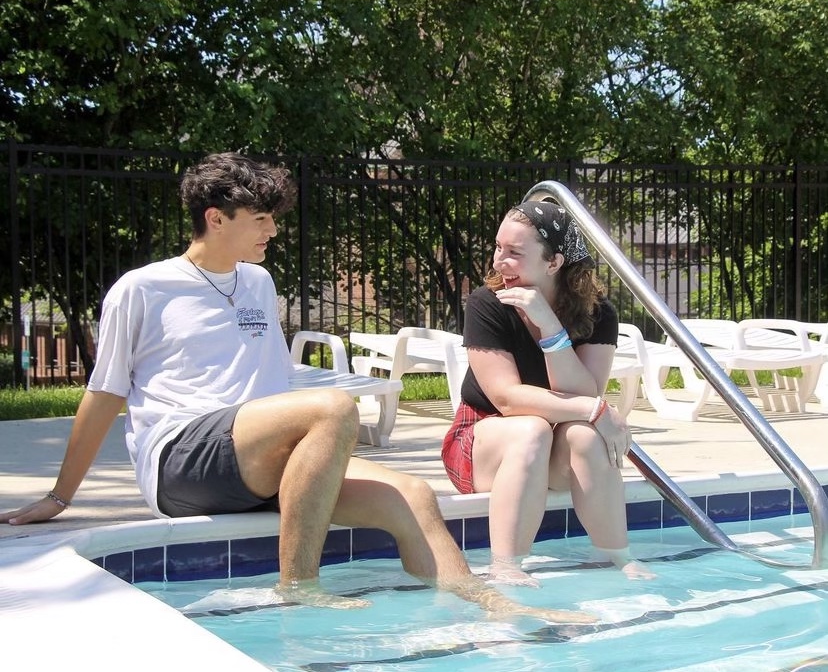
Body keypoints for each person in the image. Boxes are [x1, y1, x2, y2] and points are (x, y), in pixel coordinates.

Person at [0, 153, 596, 623]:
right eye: (261, 220)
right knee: (333, 409)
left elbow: (265, 381)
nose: (274, 231)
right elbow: (104, 394)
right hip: (182, 457)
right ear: (215, 218)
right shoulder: (145, 288)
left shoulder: (258, 283)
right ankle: (299, 587)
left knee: (412, 494)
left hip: (261, 457)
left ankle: (482, 610)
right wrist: (59, 496)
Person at [442, 200, 655, 585]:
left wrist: (550, 329)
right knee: (532, 429)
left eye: (514, 253)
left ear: (553, 262)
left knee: (586, 437)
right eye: (498, 247)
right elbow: (506, 399)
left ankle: (618, 557)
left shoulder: (598, 312)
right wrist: (596, 409)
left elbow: (582, 393)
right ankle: (506, 566)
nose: (498, 261)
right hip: (484, 440)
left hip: (551, 447)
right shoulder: (486, 304)